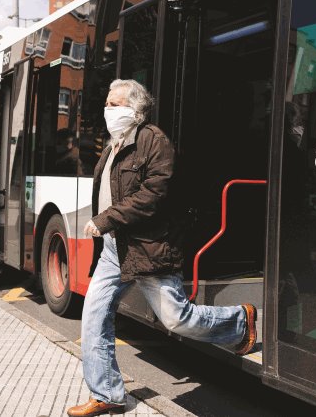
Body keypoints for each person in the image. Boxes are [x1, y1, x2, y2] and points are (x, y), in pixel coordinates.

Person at [67, 80, 257, 417]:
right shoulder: (114, 144)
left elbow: (154, 195)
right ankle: (107, 394)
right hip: (113, 250)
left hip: (148, 248)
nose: (108, 110)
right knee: (94, 318)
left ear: (136, 108)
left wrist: (106, 219)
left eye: (115, 104)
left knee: (176, 318)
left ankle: (239, 320)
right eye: (107, 104)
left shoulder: (154, 142)